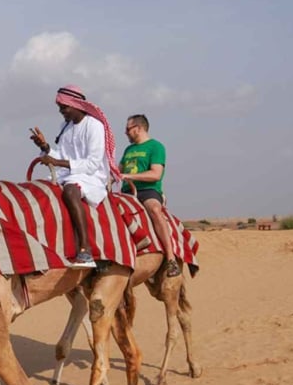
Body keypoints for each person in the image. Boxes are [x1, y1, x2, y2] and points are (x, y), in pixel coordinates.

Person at [28, 85, 119, 268]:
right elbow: (60, 156)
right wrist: (44, 147)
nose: (61, 111)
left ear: (76, 105)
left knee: (70, 191)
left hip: (91, 176)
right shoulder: (66, 127)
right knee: (38, 189)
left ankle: (85, 250)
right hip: (67, 173)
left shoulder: (95, 126)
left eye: (64, 107)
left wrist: (57, 163)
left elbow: (92, 163)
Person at [119, 114, 182, 277]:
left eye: (128, 129)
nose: (125, 133)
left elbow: (156, 174)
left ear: (138, 128)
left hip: (147, 191)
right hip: (126, 193)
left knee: (154, 209)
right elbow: (118, 170)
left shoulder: (156, 147)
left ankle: (170, 258)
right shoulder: (128, 150)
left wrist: (129, 176)